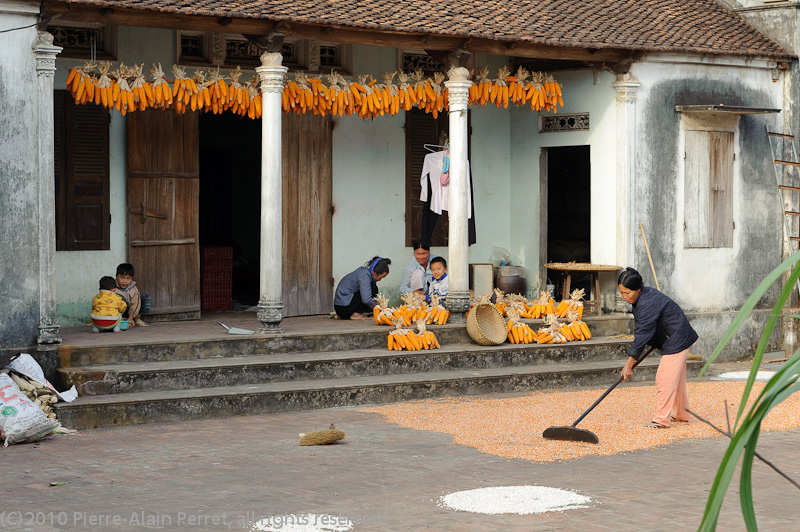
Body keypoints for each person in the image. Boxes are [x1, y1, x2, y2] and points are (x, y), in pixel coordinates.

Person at [618, 267, 699, 429]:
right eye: (621, 293)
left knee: (665, 379)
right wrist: (656, 343)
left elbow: (642, 333)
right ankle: (683, 414)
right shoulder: (641, 297)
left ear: (638, 289)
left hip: (678, 338)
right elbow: (650, 326)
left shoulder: (647, 301)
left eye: (628, 293)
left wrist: (628, 364)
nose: (624, 297)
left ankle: (662, 419)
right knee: (677, 380)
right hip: (674, 336)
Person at [114, 263, 147, 327]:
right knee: (119, 298)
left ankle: (136, 319)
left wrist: (131, 316)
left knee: (144, 298)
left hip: (132, 311)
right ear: (116, 276)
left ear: (131, 278)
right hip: (119, 312)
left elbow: (135, 303)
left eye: (128, 278)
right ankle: (119, 320)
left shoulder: (134, 288)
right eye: (122, 278)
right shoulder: (113, 287)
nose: (124, 281)